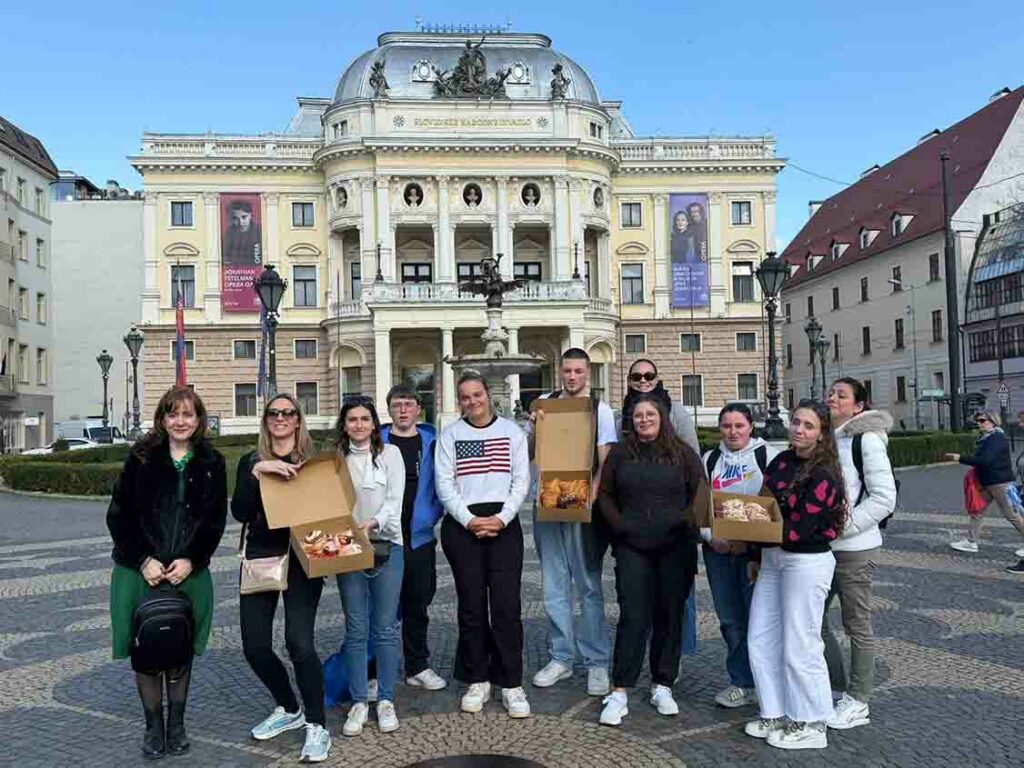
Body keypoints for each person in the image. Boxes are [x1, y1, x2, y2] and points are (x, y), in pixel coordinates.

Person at [106, 386, 227, 759]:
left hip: (187, 572)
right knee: (145, 648)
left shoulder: (212, 461)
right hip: (137, 571)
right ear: (162, 419)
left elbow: (214, 521)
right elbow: (118, 514)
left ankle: (176, 726)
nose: (180, 422)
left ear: (199, 420)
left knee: (179, 649)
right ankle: (152, 728)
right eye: (173, 414)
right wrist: (143, 559)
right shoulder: (141, 457)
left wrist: (192, 558)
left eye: (188, 415)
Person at [232, 394, 331, 762]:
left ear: (298, 420)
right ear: (265, 420)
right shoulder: (251, 462)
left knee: (299, 644)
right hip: (261, 558)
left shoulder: (313, 463)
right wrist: (257, 474)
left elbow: (329, 513)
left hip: (304, 561)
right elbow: (240, 510)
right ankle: (289, 708)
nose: (281, 418)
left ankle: (317, 726)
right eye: (274, 413)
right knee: (254, 645)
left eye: (288, 413)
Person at [596, 394, 703, 726]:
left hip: (675, 547)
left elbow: (700, 492)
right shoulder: (619, 454)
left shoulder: (683, 454)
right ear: (632, 420)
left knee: (669, 615)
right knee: (633, 615)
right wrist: (620, 526)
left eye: (650, 414)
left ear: (662, 417)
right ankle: (619, 690)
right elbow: (605, 495)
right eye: (638, 415)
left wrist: (681, 523)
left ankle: (663, 683)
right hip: (632, 547)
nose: (644, 419)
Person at [746, 400, 846, 751]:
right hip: (773, 557)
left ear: (821, 434)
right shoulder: (781, 461)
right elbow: (763, 508)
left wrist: (753, 529)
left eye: (808, 426)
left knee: (800, 643)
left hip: (806, 560)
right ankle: (775, 710)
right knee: (760, 637)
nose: (799, 430)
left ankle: (812, 721)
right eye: (796, 423)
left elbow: (800, 528)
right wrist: (755, 550)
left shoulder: (825, 473)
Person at [435, 371, 532, 718]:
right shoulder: (451, 436)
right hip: (464, 526)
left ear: (488, 395)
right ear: (459, 401)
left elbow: (522, 481)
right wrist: (469, 520)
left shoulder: (512, 432)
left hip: (504, 524)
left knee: (507, 607)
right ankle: (477, 677)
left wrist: (502, 518)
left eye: (477, 395)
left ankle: (511, 682)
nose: (472, 402)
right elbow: (445, 484)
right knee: (472, 607)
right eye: (465, 397)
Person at [528, 348, 616, 696]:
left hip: (581, 497)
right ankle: (561, 656)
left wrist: (592, 497)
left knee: (588, 583)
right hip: (548, 495)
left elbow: (604, 459)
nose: (573, 377)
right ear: (560, 372)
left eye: (579, 371)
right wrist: (535, 428)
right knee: (553, 582)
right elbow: (533, 449)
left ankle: (596, 661)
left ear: (588, 374)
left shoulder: (600, 409)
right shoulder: (544, 405)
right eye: (567, 371)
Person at [823, 378, 897, 731]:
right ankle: (834, 688)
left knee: (856, 625)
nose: (833, 398)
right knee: (812, 621)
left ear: (859, 406)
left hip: (855, 548)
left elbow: (884, 497)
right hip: (822, 547)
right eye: (831, 393)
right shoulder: (827, 438)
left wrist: (845, 527)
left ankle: (858, 700)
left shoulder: (865, 439)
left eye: (842, 395)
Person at [616, 357, 700, 657]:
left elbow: (694, 459)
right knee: (638, 599)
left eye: (648, 374)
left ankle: (676, 655)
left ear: (657, 377)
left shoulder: (675, 410)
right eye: (636, 376)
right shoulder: (620, 416)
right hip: (635, 521)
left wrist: (688, 517)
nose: (642, 380)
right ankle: (646, 655)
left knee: (678, 598)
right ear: (628, 380)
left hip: (674, 522)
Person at [701, 403, 780, 709]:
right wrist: (711, 537)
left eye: (739, 426)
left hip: (753, 552)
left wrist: (750, 539)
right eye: (726, 426)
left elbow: (775, 504)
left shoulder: (767, 456)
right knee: (730, 620)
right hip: (718, 552)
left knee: (759, 618)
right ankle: (740, 681)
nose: (733, 432)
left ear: (751, 427)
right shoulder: (710, 459)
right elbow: (700, 507)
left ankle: (767, 683)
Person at [335, 397, 406, 737]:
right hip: (347, 549)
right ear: (344, 424)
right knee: (356, 629)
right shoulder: (336, 461)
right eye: (352, 419)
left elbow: (395, 500)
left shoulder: (390, 455)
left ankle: (386, 699)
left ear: (375, 424)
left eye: (365, 419)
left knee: (386, 627)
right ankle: (360, 700)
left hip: (387, 544)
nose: (359, 425)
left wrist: (373, 523)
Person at [381, 384, 447, 690]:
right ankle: (373, 670)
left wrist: (433, 514)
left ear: (419, 409)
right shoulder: (376, 440)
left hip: (419, 536)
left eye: (409, 404)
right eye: (397, 404)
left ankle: (417, 665)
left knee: (417, 603)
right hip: (383, 537)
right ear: (390, 409)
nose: (403, 410)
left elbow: (443, 481)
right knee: (380, 606)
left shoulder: (431, 441)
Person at [947, 409, 1024, 571]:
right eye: (978, 421)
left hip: (999, 483)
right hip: (989, 482)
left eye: (983, 421)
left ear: (993, 421)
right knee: (977, 510)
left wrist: (959, 458)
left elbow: (985, 460)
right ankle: (971, 542)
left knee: (1012, 515)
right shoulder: (988, 437)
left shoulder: (996, 438)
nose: (980, 424)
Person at [223, 199, 261, 265]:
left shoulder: (259, 231)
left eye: (244, 217)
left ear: (250, 216)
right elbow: (226, 256)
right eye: (235, 218)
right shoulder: (229, 232)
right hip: (233, 271)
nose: (241, 222)